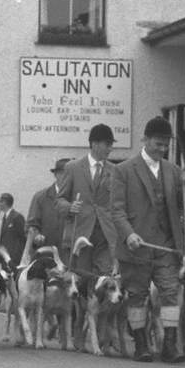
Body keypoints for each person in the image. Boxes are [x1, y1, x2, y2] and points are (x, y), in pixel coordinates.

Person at [110, 116, 185, 363]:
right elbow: (116, 210)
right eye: (157, 144)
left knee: (171, 292)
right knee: (137, 295)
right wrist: (129, 234)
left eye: (165, 145)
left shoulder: (174, 171)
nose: (162, 149)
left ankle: (170, 344)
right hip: (136, 246)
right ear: (145, 139)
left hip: (165, 246)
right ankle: (141, 344)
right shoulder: (123, 170)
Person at [57, 123, 119, 293]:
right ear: (94, 144)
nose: (110, 149)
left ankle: (96, 319)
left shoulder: (115, 171)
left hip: (105, 236)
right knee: (80, 282)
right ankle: (80, 318)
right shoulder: (73, 167)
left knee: (104, 282)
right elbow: (59, 200)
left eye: (111, 144)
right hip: (80, 235)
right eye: (107, 144)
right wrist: (70, 207)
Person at [25, 158, 71, 260]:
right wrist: (36, 236)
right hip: (45, 258)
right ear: (56, 174)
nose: (68, 178)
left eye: (71, 175)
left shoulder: (78, 198)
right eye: (64, 174)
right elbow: (31, 226)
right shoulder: (41, 197)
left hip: (71, 259)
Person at [0, 193, 26, 267]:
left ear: (4, 202)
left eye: (0, 201)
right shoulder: (5, 217)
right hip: (5, 258)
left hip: (14, 259)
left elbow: (23, 237)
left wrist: (17, 256)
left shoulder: (17, 217)